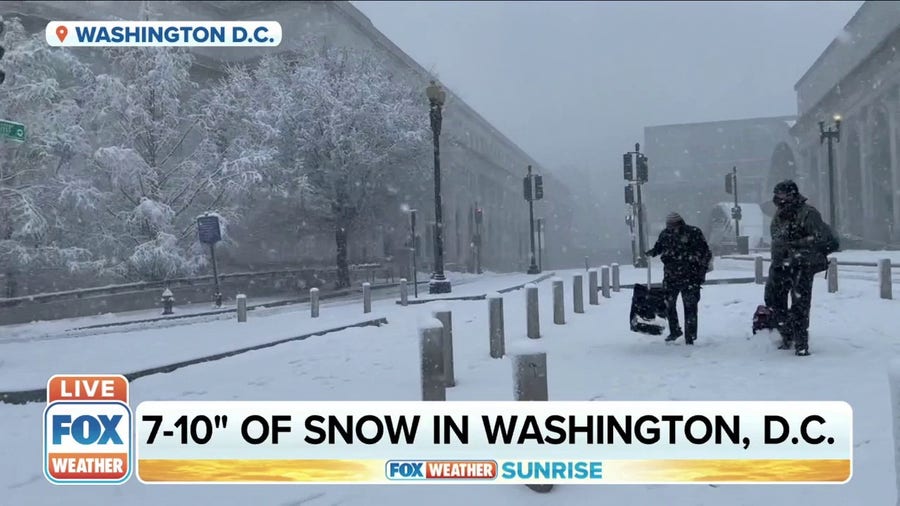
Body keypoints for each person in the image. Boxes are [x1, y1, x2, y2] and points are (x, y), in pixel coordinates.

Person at [765, 180, 834, 356]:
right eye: (777, 194)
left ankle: (801, 343)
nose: (778, 198)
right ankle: (787, 335)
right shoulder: (780, 213)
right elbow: (776, 237)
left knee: (800, 305)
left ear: (791, 195)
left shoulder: (808, 213)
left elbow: (819, 238)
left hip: (802, 264)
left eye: (781, 194)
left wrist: (795, 245)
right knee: (773, 300)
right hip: (781, 264)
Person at [645, 212, 712, 345]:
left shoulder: (693, 232)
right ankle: (675, 331)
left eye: (672, 225)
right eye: (668, 225)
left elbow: (705, 252)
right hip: (672, 276)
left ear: (679, 223)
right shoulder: (666, 234)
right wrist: (652, 252)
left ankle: (690, 335)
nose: (670, 228)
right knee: (669, 304)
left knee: (690, 307)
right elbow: (659, 248)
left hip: (690, 277)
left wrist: (701, 271)